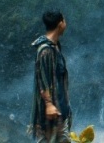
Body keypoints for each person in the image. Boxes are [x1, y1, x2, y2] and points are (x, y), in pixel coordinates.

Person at [29, 10, 72, 143]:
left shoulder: (55, 47)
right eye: (65, 21)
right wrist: (48, 104)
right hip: (49, 117)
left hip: (60, 111)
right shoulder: (45, 50)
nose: (66, 24)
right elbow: (42, 78)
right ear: (60, 24)